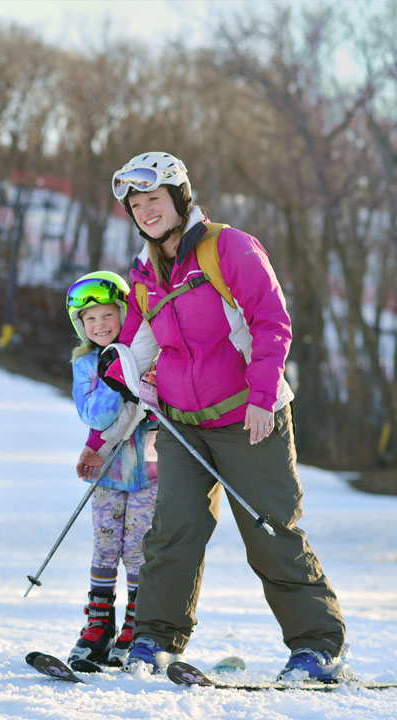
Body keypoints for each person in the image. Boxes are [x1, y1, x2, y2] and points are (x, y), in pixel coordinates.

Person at [100, 151, 347, 680]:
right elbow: (139, 340)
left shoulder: (226, 247)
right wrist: (122, 371)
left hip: (247, 419)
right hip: (182, 425)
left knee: (270, 532)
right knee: (171, 534)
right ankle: (154, 641)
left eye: (154, 200)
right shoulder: (144, 271)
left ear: (179, 199)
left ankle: (317, 645)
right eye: (136, 204)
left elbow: (270, 321)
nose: (146, 212)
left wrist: (262, 398)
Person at [65, 271, 158, 668]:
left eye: (108, 315)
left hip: (151, 471)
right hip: (107, 474)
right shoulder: (86, 363)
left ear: (124, 315)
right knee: (105, 546)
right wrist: (117, 376)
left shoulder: (149, 355)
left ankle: (134, 627)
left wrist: (134, 370)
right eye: (90, 320)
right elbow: (95, 415)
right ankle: (99, 624)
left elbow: (150, 406)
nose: (100, 325)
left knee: (138, 550)